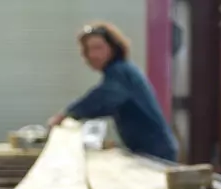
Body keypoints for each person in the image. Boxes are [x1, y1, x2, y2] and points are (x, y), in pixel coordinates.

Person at [47, 22, 178, 162]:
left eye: (98, 48)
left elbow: (104, 98)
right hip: (150, 150)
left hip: (155, 153)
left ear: (113, 48)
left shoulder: (120, 71)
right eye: (88, 49)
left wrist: (68, 114)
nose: (93, 55)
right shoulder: (121, 71)